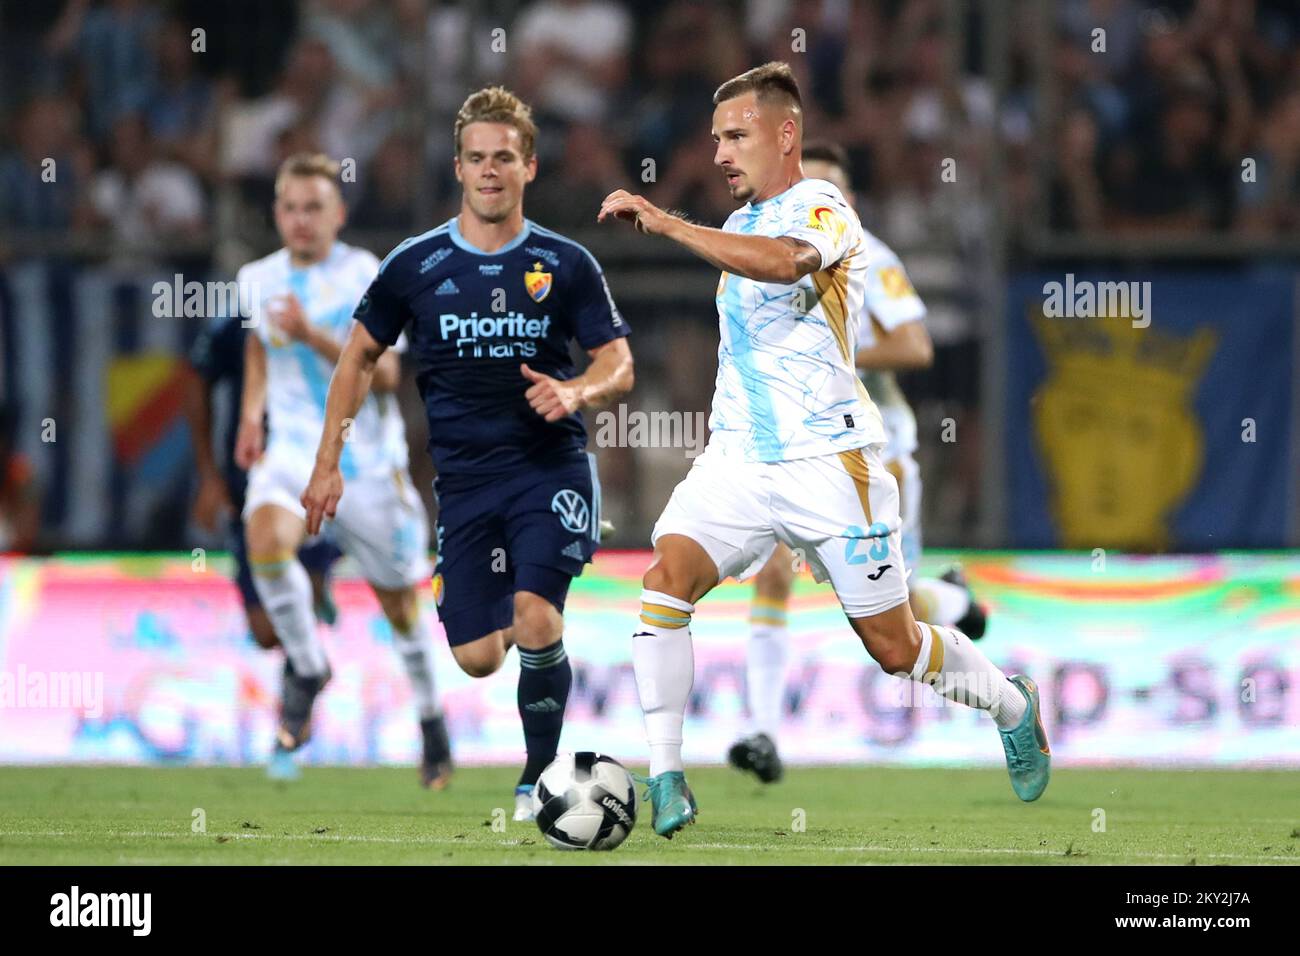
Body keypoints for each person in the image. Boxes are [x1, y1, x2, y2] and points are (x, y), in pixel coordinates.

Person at [598, 62, 1049, 838]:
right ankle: (666, 774)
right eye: (714, 140)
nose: (719, 155)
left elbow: (785, 263)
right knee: (665, 581)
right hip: (738, 460)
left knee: (896, 646)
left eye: (735, 136)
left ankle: (1012, 703)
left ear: (786, 134)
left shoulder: (824, 210)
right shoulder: (736, 226)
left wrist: (667, 222)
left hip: (830, 464)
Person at [301, 88, 634, 821]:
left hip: (549, 467)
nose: (491, 171)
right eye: (478, 158)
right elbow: (357, 360)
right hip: (464, 484)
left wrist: (576, 393)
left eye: (504, 158)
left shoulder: (564, 261)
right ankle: (520, 591)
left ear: (530, 167)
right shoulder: (414, 265)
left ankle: (539, 777)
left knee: (537, 613)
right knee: (479, 658)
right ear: (458, 167)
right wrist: (327, 463)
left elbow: (619, 364)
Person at [726, 140, 989, 784]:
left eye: (829, 189)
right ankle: (761, 733)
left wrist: (829, 351)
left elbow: (915, 345)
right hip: (796, 451)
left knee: (892, 620)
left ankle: (952, 601)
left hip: (877, 450)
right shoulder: (764, 261)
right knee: (773, 575)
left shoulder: (869, 255)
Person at [235, 152, 450, 788]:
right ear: (277, 214)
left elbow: (384, 375)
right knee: (264, 543)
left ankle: (432, 721)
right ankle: (306, 666)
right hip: (293, 449)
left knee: (399, 604)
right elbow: (256, 352)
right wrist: (251, 416)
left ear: (339, 214)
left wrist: (308, 333)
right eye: (290, 208)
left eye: (314, 209)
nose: (301, 221)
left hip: (363, 460)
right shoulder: (257, 277)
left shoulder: (366, 274)